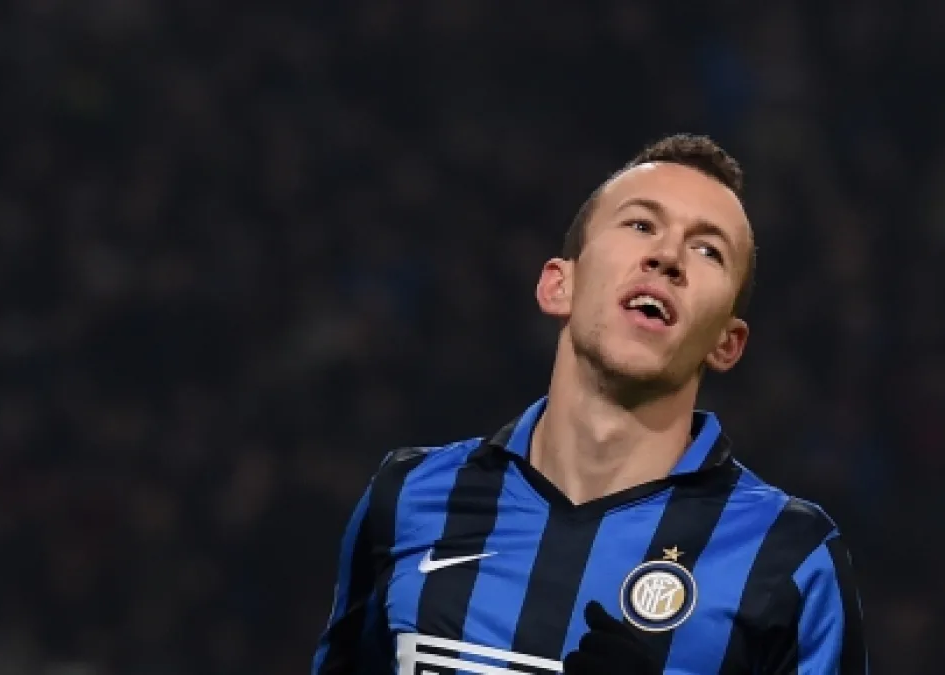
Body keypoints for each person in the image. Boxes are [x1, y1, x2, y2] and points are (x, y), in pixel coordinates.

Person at [312, 134, 867, 674]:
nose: (668, 256)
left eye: (707, 251)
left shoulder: (788, 557)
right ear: (559, 286)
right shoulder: (411, 497)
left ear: (728, 343)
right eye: (641, 224)